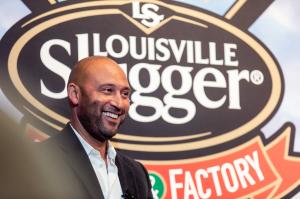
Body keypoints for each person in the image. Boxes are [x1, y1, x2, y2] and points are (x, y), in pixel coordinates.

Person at [38, 56, 153, 199]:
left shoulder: (137, 173)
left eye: (125, 94)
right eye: (107, 90)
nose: (119, 103)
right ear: (75, 94)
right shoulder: (36, 161)